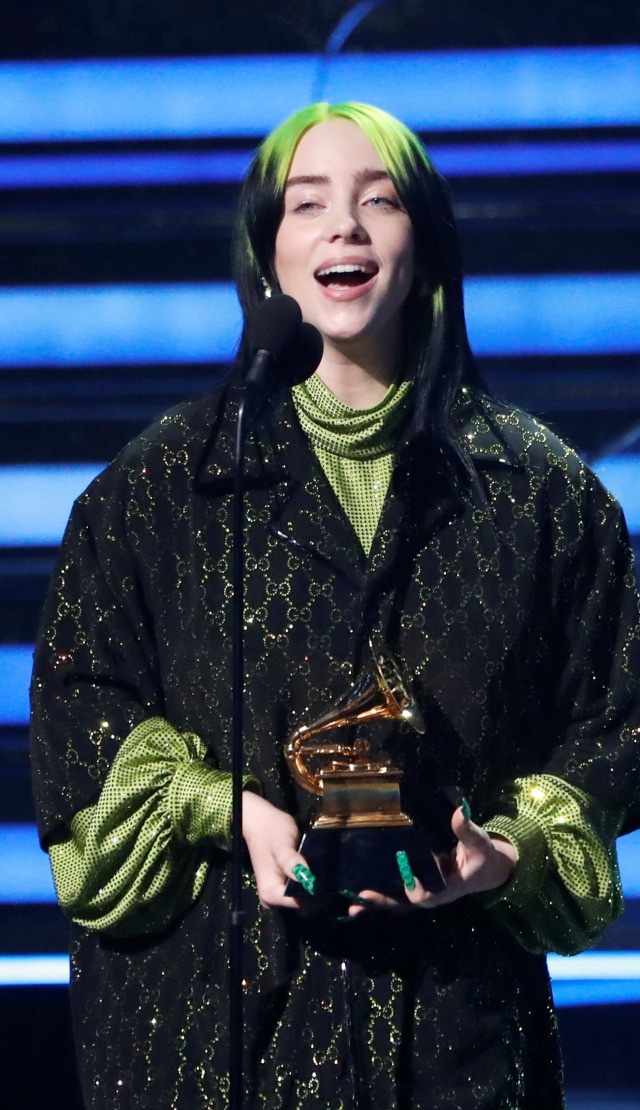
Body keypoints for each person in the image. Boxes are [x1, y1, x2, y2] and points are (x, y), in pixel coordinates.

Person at [30, 101, 640, 1109]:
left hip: (455, 1037)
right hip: (206, 1033)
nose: (343, 228)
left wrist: (503, 852)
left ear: (426, 245)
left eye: (378, 201)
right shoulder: (160, 489)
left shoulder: (540, 493)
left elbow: (613, 728)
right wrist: (217, 808)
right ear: (269, 254)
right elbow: (77, 714)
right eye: (307, 204)